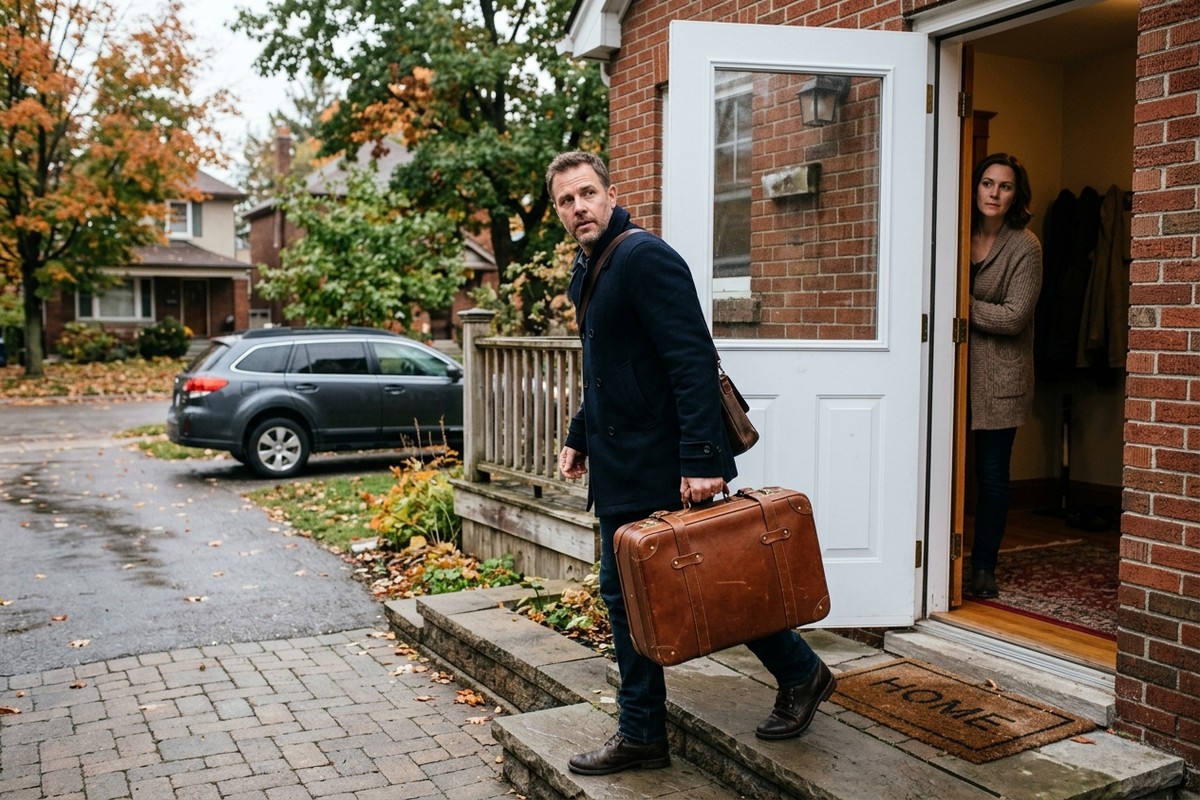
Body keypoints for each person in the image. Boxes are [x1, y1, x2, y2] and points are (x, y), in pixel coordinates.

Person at [547, 150, 835, 775]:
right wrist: (580, 436)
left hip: (662, 461)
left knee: (697, 582)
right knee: (640, 593)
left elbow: (691, 360)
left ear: (611, 192)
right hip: (622, 459)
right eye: (566, 201)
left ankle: (651, 728)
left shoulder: (643, 256)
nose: (579, 209)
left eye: (587, 194)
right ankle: (784, 678)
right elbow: (605, 367)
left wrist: (703, 458)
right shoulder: (590, 264)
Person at [966, 153, 1043, 599]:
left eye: (1005, 186)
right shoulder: (956, 233)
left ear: (1017, 195)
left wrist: (958, 303)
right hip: (954, 374)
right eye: (987, 183)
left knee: (992, 475)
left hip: (1001, 380)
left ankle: (983, 568)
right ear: (975, 187)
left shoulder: (1025, 245)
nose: (994, 193)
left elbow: (1015, 317)